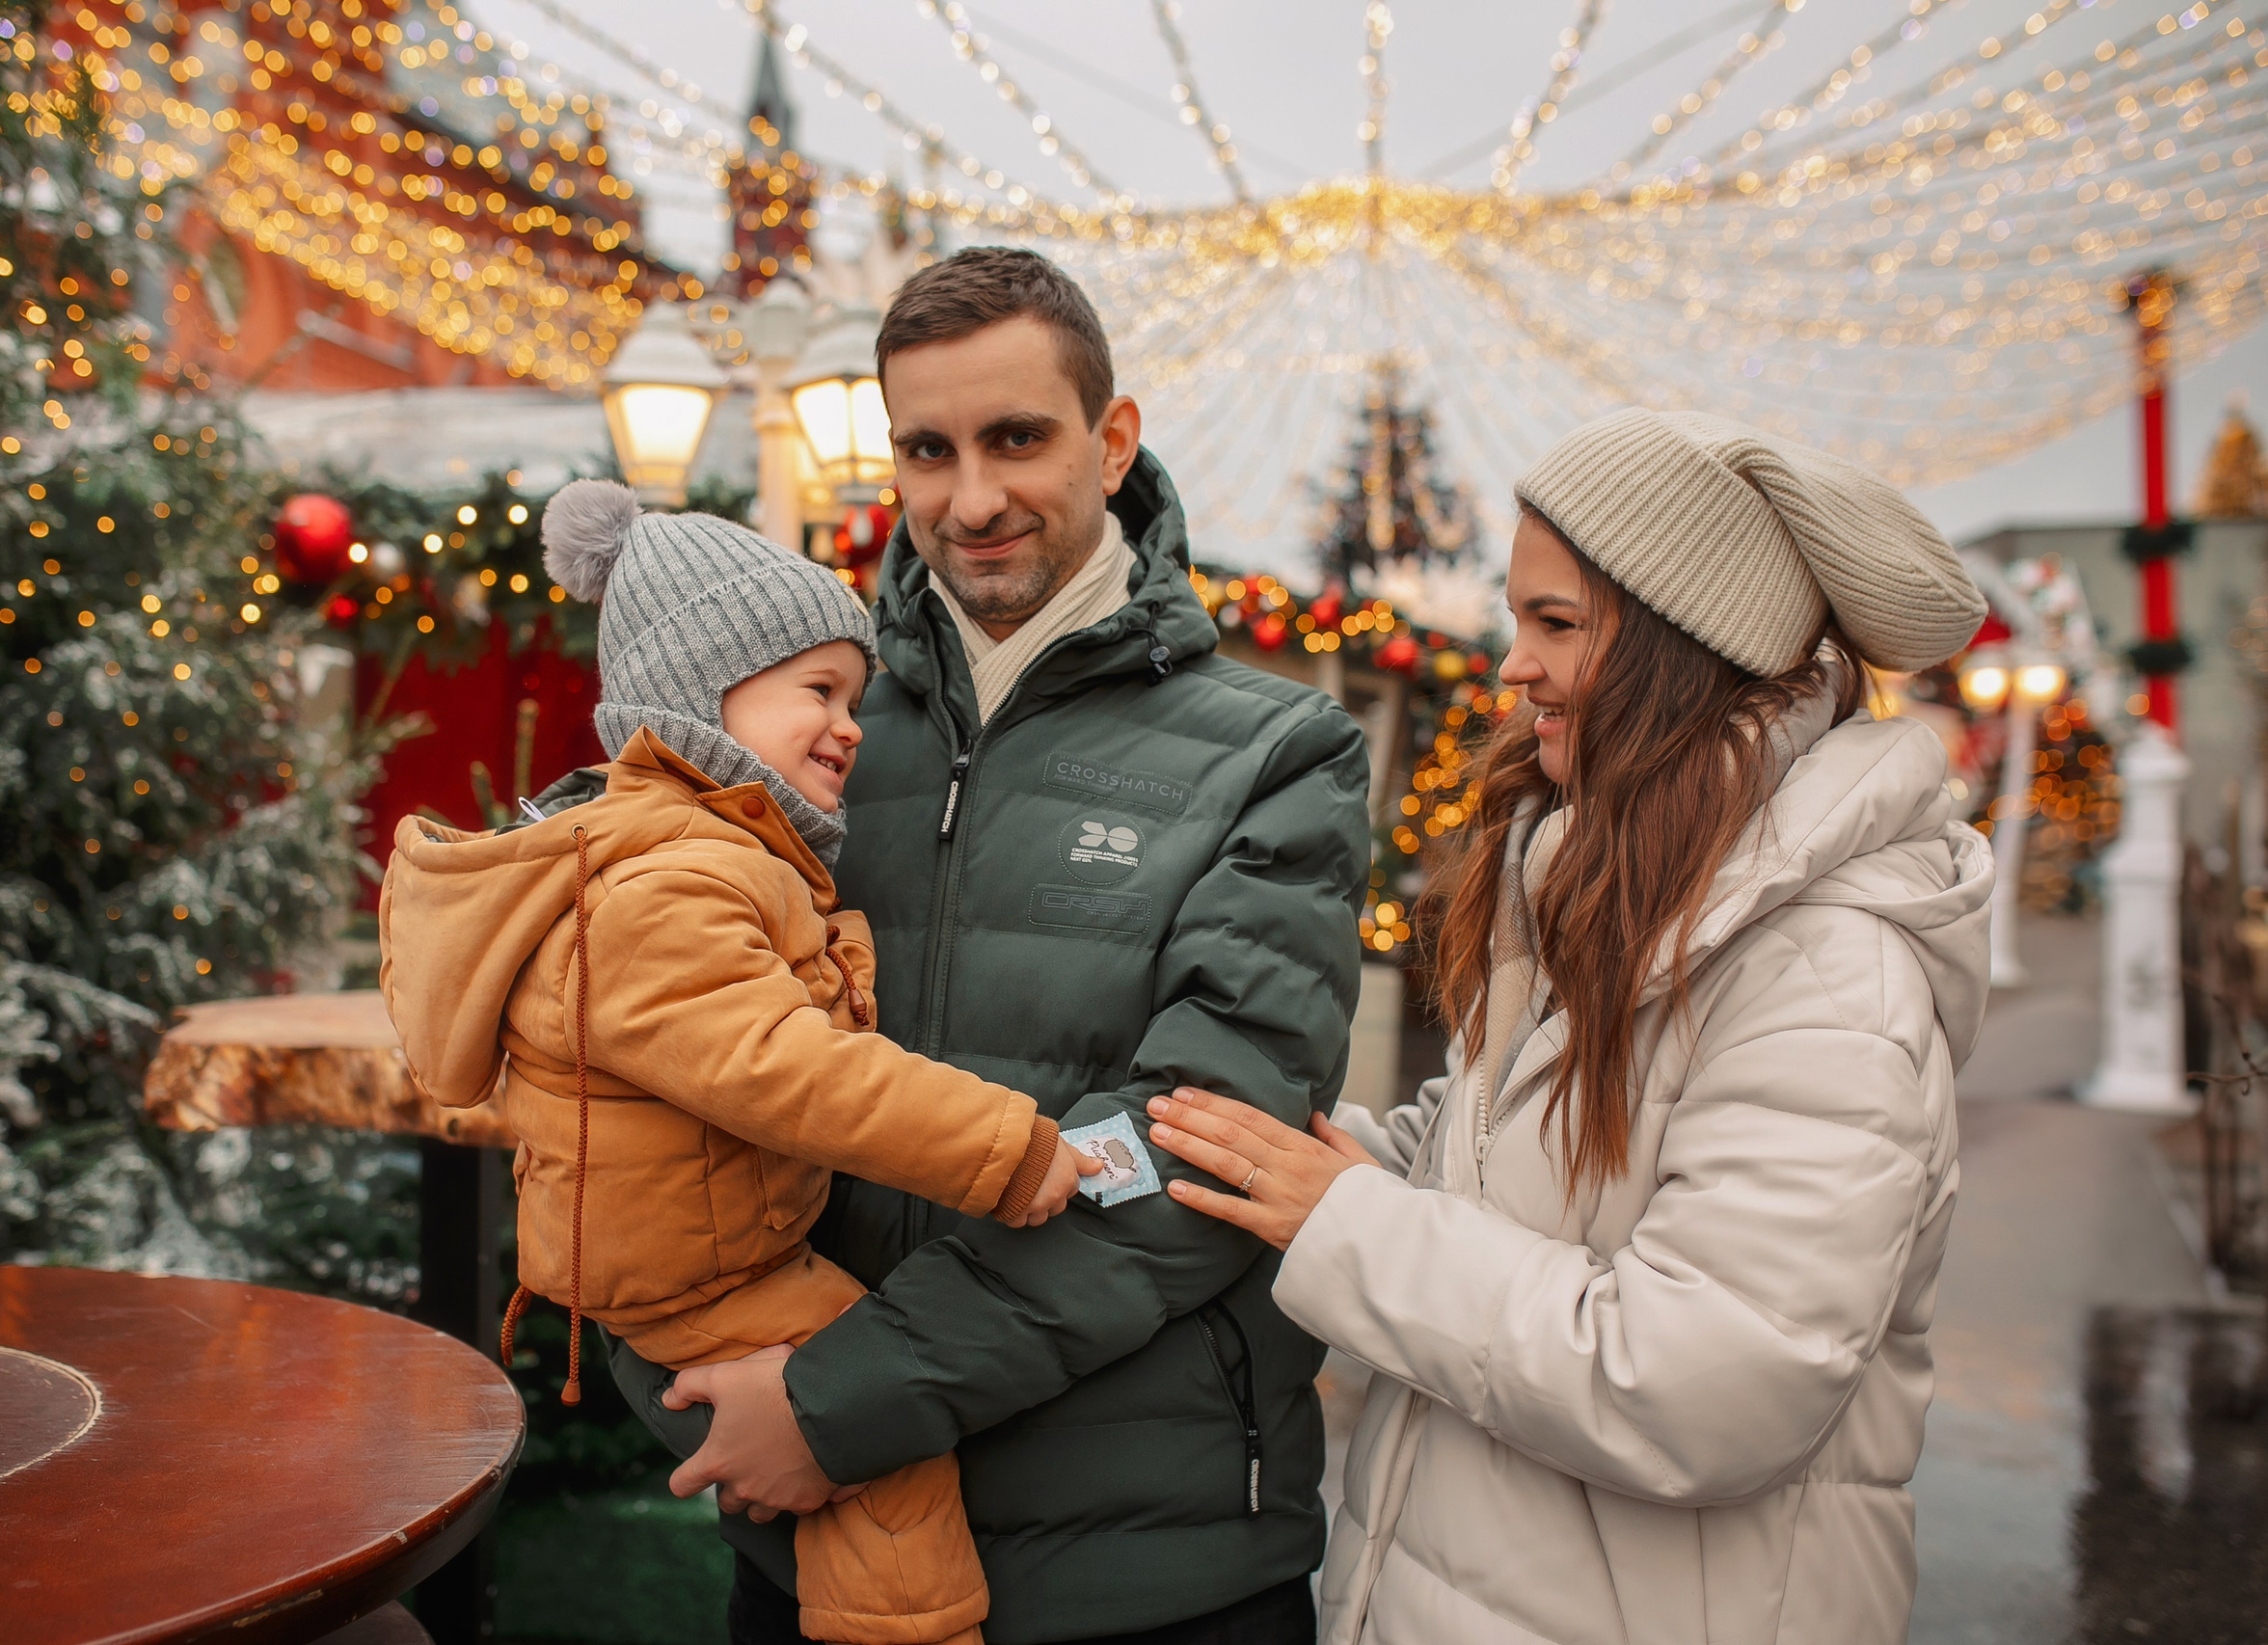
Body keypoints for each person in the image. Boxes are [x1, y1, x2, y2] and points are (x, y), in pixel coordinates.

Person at [607, 247, 1371, 1645]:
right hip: (821, 1561)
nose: (973, 499)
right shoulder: (811, 740)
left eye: (1018, 437)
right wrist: (720, 1379)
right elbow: (647, 1066)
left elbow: (1194, 1143)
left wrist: (835, 1405)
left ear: (1113, 436)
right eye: (930, 448)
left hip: (1149, 1573)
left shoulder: (1278, 751)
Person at [1147, 409, 1994, 1644]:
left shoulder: (1823, 971)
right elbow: (1506, 1159)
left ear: (1679, 653)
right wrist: (1317, 1163)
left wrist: (1349, 1223)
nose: (1510, 667)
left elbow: (1701, 1383)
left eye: (1555, 624)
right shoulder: (1610, 889)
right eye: (1517, 617)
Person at [375, 491, 1100, 1645]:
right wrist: (1005, 1149)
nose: (850, 724)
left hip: (709, 1234)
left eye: (852, 696)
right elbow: (781, 1065)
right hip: (701, 1270)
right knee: (884, 1450)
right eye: (816, 690)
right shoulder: (672, 876)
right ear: (699, 692)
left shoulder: (706, 850)